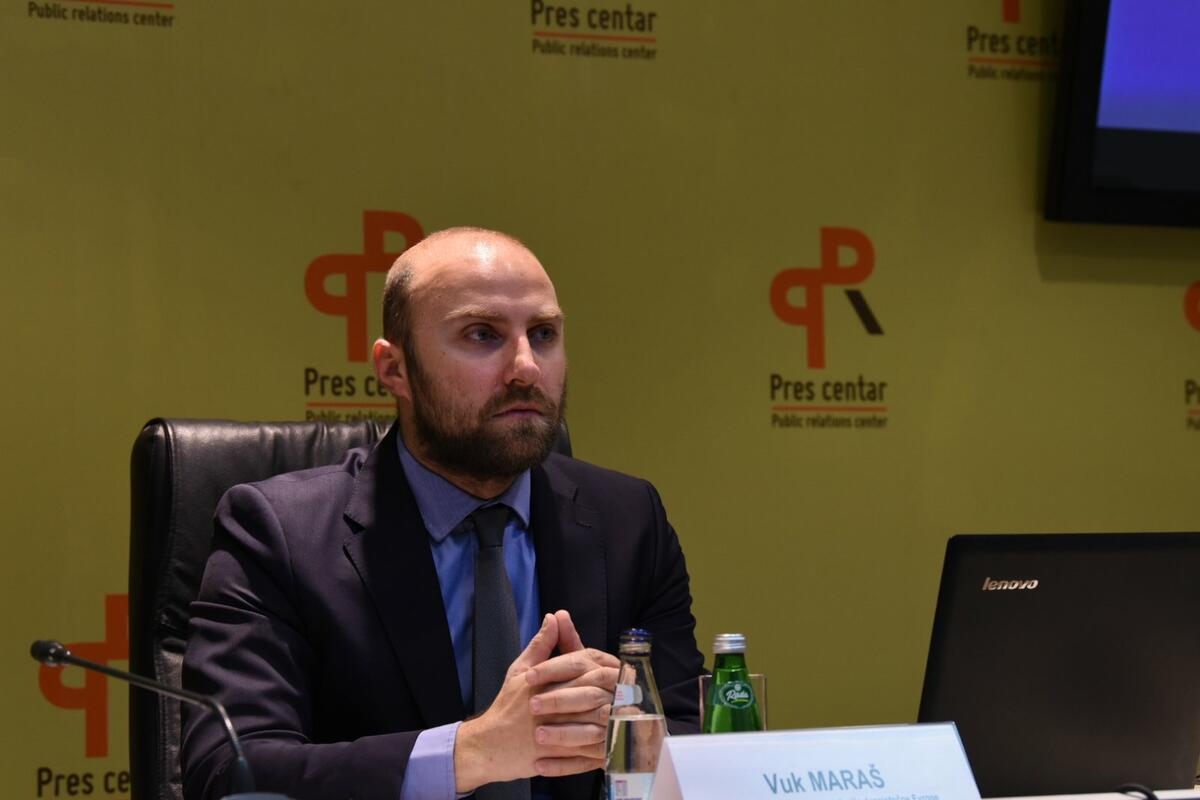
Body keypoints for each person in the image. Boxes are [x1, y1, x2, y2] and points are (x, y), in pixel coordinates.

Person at [181, 227, 704, 800]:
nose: (526, 367)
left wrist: (631, 733)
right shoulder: (277, 534)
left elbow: (691, 739)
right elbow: (231, 771)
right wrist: (471, 752)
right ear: (395, 369)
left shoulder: (628, 521)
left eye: (544, 334)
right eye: (482, 335)